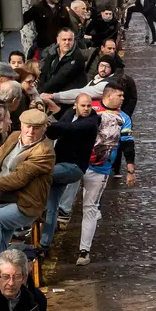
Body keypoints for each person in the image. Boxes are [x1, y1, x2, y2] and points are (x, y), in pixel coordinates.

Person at [0, 109, 54, 270]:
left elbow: (17, 179)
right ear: (21, 125)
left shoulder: (45, 152)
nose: (30, 131)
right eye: (28, 126)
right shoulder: (14, 136)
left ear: (44, 128)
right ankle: (0, 268)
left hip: (25, 205)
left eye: (36, 128)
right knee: (1, 241)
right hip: (3, 200)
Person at [76, 81, 134, 266]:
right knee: (62, 202)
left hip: (99, 168)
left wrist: (130, 168)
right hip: (75, 164)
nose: (123, 98)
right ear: (108, 95)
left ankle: (84, 251)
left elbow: (127, 142)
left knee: (90, 207)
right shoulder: (89, 106)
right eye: (120, 95)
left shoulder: (124, 118)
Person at [38, 93, 99, 254]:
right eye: (83, 105)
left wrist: (47, 124)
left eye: (89, 106)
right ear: (75, 105)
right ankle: (44, 245)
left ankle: (32, 208)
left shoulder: (91, 121)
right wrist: (49, 127)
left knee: (39, 174)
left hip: (74, 168)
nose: (86, 109)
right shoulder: (69, 114)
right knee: (52, 208)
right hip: (59, 165)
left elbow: (71, 128)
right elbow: (54, 134)